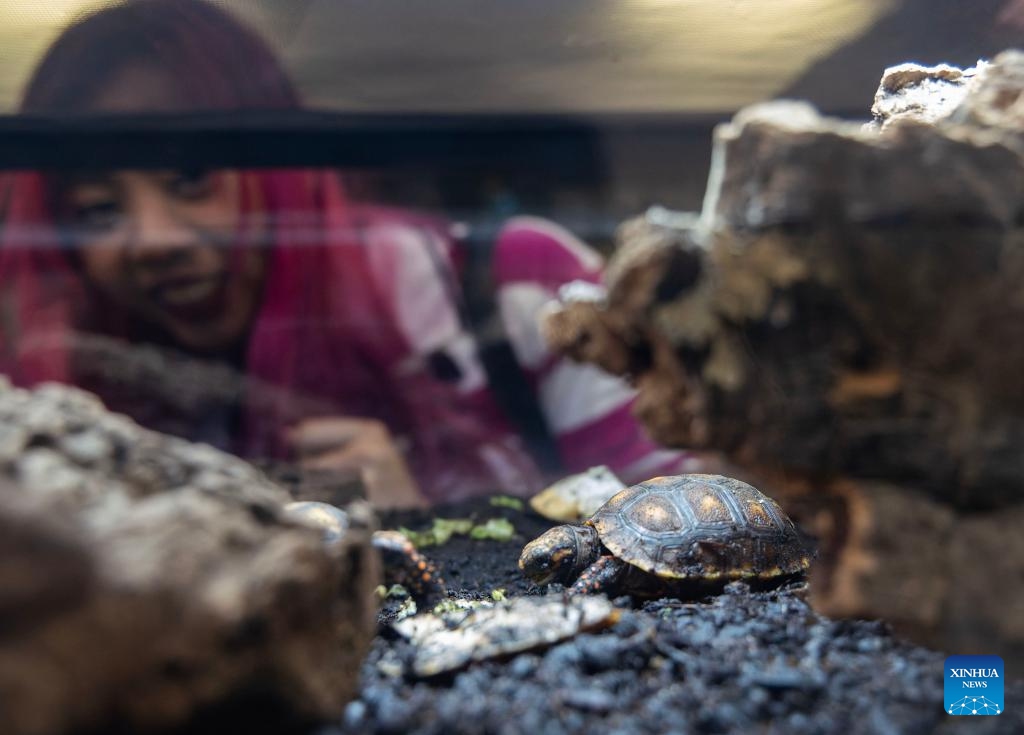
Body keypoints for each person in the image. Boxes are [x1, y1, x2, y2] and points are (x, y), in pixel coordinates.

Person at [0, 0, 695, 507]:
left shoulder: (519, 286)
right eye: (96, 210)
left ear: (279, 168)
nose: (155, 239)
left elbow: (705, 513)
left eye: (191, 176)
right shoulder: (84, 369)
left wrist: (435, 508)